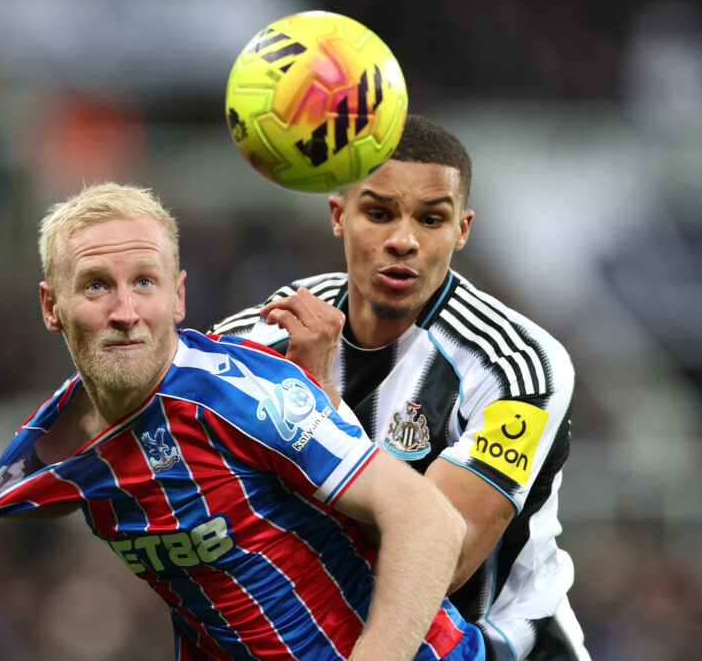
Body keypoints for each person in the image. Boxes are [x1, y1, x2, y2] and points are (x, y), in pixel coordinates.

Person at [0, 182, 486, 661]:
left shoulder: (244, 396)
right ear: (50, 306)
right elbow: (63, 483)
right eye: (95, 286)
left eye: (144, 282)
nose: (125, 312)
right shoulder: (60, 431)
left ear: (178, 297)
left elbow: (430, 522)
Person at [208, 115, 590, 660]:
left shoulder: (518, 365)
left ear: (462, 229)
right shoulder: (273, 328)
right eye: (379, 213)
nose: (403, 241)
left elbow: (442, 561)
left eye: (431, 219)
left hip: (498, 648)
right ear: (339, 216)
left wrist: (318, 403)